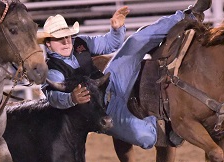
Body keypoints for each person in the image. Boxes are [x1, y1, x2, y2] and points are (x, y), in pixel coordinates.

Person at [38, 0, 212, 149]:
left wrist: (116, 30)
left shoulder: (80, 42)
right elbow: (54, 98)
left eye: (67, 36)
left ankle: (189, 15)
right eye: (59, 38)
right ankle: (168, 126)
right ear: (48, 44)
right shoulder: (52, 70)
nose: (66, 40)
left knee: (134, 42)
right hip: (103, 110)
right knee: (146, 138)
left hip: (112, 81)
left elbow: (111, 44)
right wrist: (72, 99)